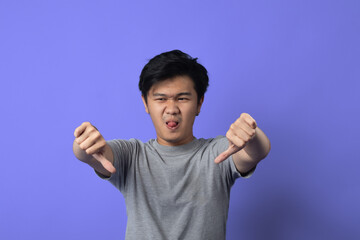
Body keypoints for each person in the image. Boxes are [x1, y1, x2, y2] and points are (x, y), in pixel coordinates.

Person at [73, 50, 271, 240]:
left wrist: (252, 136)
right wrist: (84, 146)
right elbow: (94, 154)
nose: (172, 109)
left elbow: (255, 152)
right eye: (161, 99)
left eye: (182, 98)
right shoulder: (132, 155)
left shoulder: (217, 152)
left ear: (199, 103)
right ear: (145, 103)